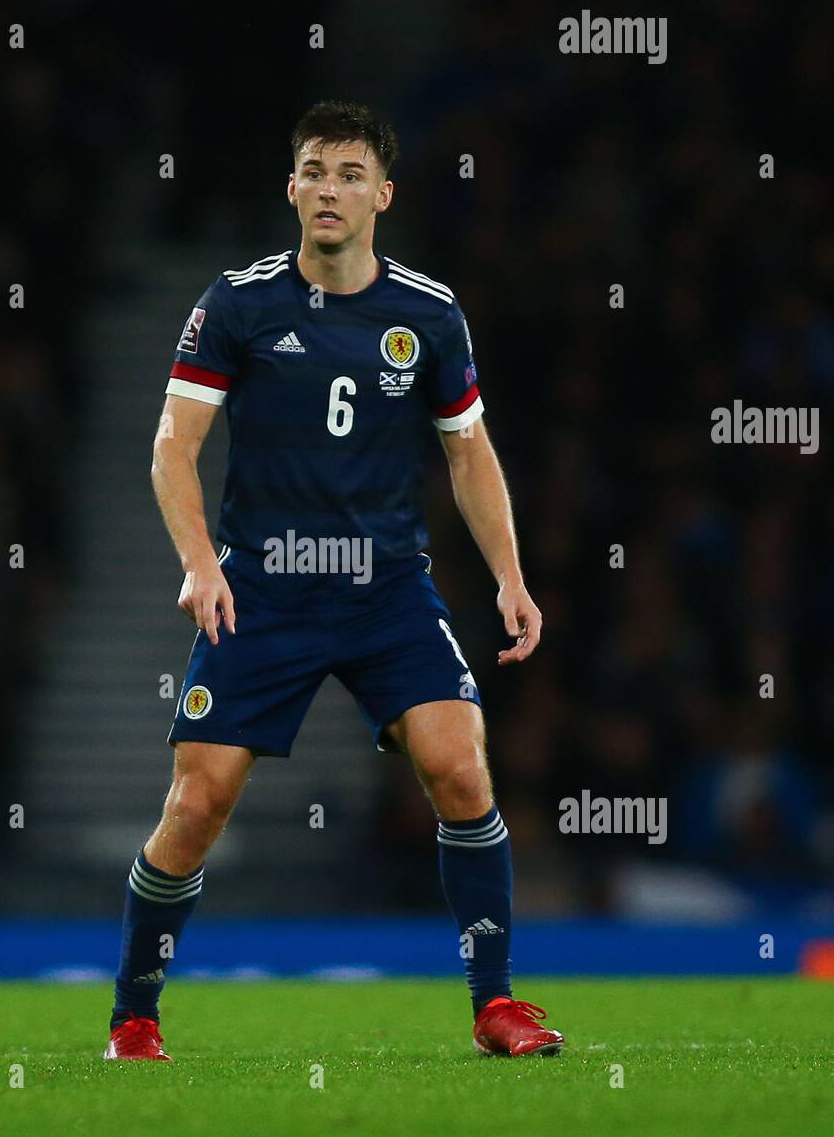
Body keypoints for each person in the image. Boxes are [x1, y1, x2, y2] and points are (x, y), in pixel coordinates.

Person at [107, 101, 562, 1061]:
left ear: (382, 196)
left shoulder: (429, 313)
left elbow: (469, 455)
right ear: (292, 188)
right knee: (195, 807)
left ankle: (498, 1005)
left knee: (461, 765)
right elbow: (172, 448)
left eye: (351, 173)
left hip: (387, 590)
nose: (330, 188)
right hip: (262, 590)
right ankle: (134, 1015)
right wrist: (199, 564)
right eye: (315, 170)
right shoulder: (236, 304)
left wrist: (509, 578)